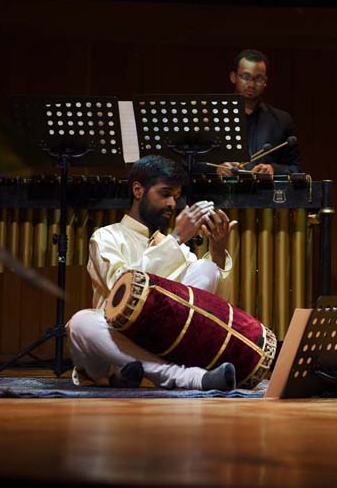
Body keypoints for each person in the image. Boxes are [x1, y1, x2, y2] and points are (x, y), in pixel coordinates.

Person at [67, 155, 239, 390]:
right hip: (113, 346)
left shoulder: (176, 248)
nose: (172, 204)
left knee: (205, 267)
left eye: (176, 197)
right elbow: (123, 287)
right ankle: (187, 377)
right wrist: (176, 238)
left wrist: (217, 253)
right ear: (138, 190)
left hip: (165, 346)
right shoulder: (106, 237)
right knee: (80, 323)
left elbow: (214, 307)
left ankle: (142, 375)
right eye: (165, 193)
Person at [216, 49, 303, 177]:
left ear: (265, 81)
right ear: (233, 77)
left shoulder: (282, 120)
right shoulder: (215, 116)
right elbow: (192, 163)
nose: (251, 84)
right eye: (245, 77)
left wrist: (273, 169)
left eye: (258, 78)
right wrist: (217, 169)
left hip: (264, 194)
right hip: (220, 194)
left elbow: (296, 168)